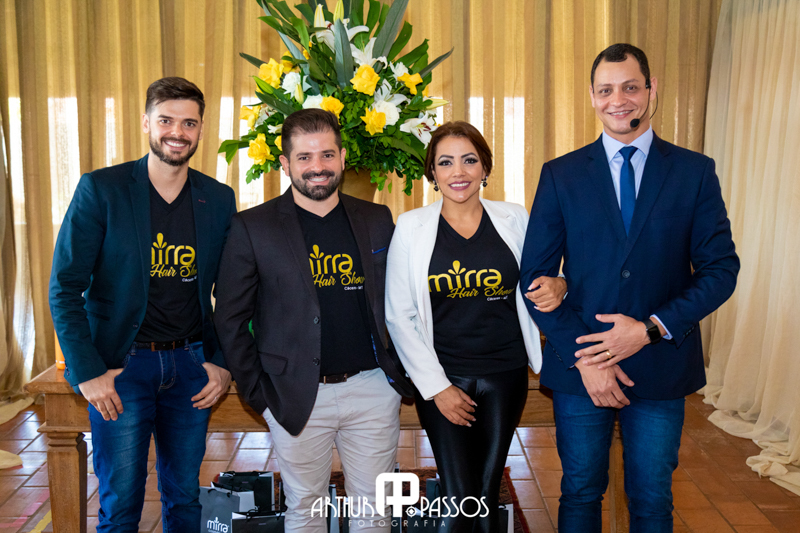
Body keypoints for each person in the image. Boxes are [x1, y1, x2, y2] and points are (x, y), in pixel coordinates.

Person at [520, 43, 739, 532]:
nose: (618, 100)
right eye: (606, 90)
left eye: (630, 87)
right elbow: (534, 280)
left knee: (653, 500)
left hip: (661, 365)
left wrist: (649, 329)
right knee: (580, 493)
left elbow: (721, 270)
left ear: (651, 89)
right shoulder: (561, 174)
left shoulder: (694, 172)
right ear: (592, 96)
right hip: (581, 371)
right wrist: (588, 358)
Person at [49, 77, 236, 532]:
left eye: (189, 123)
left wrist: (222, 362)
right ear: (146, 123)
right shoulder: (102, 189)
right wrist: (87, 371)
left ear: (201, 129)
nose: (178, 132)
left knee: (185, 499)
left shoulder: (218, 199)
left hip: (191, 366)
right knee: (121, 505)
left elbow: (234, 293)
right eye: (166, 120)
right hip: (122, 370)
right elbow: (65, 287)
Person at [214, 108, 413, 532]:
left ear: (342, 158)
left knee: (375, 512)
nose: (317, 166)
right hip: (294, 395)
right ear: (285, 164)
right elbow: (230, 317)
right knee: (305, 509)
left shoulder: (377, 220)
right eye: (304, 157)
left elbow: (402, 298)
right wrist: (260, 394)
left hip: (372, 389)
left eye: (326, 155)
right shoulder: (252, 227)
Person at [385, 121, 567, 532]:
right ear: (432, 172)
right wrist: (438, 388)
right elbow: (399, 314)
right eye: (445, 162)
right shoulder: (411, 226)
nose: (458, 172)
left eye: (469, 160)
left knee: (485, 493)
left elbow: (545, 276)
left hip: (506, 374)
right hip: (443, 377)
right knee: (458, 496)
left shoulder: (514, 217)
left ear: (485, 167)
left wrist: (562, 283)